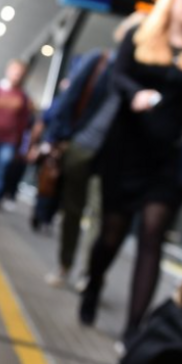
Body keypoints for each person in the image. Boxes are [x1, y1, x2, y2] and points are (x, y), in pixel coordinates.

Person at [78, 0, 182, 343]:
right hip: (126, 150)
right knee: (111, 234)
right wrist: (135, 95)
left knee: (153, 236)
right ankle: (93, 286)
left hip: (169, 160)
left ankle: (133, 330)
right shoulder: (140, 35)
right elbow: (118, 76)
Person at [41, 15, 144, 287]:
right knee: (72, 210)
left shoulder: (143, 78)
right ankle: (65, 265)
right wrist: (57, 138)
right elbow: (70, 97)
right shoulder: (100, 61)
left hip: (112, 157)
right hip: (81, 147)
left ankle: (88, 272)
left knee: (101, 215)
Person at [0, 60, 34, 219]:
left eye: (21, 72)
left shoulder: (23, 97)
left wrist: (21, 146)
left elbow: (24, 123)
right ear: (8, 71)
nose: (17, 74)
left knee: (0, 172)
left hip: (9, 141)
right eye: (15, 70)